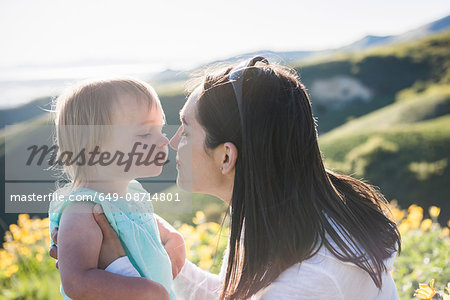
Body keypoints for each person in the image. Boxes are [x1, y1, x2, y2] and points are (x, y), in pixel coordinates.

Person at [50, 57, 401, 299]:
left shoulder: (311, 279)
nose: (171, 141)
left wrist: (123, 270)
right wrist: (162, 259)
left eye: (185, 130)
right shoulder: (283, 212)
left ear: (227, 157)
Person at [48, 78, 183, 300]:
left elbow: (139, 222)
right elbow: (75, 282)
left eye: (160, 129)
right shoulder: (83, 209)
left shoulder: (131, 193)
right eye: (144, 134)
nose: (163, 140)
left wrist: (171, 236)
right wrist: (151, 292)